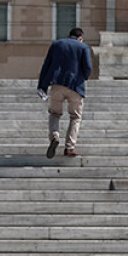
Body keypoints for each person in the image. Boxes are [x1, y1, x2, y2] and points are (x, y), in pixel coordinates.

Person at [36, 27, 93, 158]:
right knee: (75, 117)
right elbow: (88, 68)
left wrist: (42, 87)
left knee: (54, 113)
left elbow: (46, 66)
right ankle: (69, 147)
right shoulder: (83, 47)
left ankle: (54, 137)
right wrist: (82, 77)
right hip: (75, 87)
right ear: (80, 38)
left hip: (57, 85)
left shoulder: (56, 44)